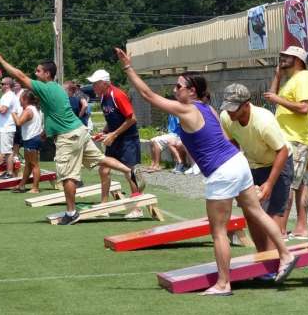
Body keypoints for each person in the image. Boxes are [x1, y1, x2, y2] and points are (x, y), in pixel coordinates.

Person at [116, 48, 298, 295]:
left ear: (191, 91)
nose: (174, 90)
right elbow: (224, 139)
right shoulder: (208, 108)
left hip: (222, 172)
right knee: (256, 212)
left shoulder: (188, 109)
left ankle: (223, 284)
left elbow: (148, 95)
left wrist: (128, 67)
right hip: (238, 163)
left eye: (179, 87)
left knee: (219, 231)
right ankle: (285, 255)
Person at [0, 50, 145, 225]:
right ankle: (129, 171)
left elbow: (19, 75)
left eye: (38, 71)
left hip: (68, 137)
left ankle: (71, 213)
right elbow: (54, 113)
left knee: (67, 176)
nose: (35, 73)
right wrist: (46, 131)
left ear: (47, 74)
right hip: (79, 131)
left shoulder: (46, 87)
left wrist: (2, 60)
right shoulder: (57, 88)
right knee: (100, 159)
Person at [220, 83, 294, 255]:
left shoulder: (263, 121)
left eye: (234, 109)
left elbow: (282, 151)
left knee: (273, 213)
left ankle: (274, 259)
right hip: (253, 164)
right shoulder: (226, 117)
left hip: (279, 162)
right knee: (251, 212)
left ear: (246, 105)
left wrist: (269, 183)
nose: (230, 112)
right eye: (228, 108)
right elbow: (233, 144)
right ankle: (262, 255)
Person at [264, 46, 308, 239]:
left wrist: (279, 99)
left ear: (298, 59)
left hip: (296, 139)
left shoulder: (303, 78)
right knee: (300, 182)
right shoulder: (292, 79)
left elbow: (304, 107)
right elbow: (271, 98)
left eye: (285, 56)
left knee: (286, 184)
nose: (281, 58)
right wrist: (277, 76)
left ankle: (280, 229)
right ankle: (301, 227)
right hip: (290, 138)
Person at [88, 69, 144, 218]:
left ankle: (137, 208)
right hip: (114, 138)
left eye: (95, 83)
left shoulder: (117, 95)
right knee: (104, 170)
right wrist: (105, 132)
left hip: (127, 139)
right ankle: (104, 206)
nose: (93, 86)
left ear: (105, 83)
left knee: (130, 171)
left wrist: (114, 134)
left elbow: (132, 119)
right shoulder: (102, 97)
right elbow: (111, 119)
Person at [0, 77, 22, 179]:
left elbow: (2, 110)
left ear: (7, 85)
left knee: (7, 152)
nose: (1, 85)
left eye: (2, 84)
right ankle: (8, 171)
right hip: (4, 127)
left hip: (7, 127)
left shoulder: (8, 96)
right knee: (5, 151)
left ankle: (10, 173)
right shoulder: (7, 95)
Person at [11, 90, 43, 193]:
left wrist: (13, 113)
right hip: (32, 138)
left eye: (20, 98)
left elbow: (19, 122)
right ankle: (22, 185)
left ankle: (35, 188)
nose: (19, 101)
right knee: (28, 164)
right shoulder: (34, 109)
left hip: (32, 139)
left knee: (34, 164)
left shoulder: (29, 110)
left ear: (25, 99)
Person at [11, 81, 25, 163]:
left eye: (17, 83)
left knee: (21, 138)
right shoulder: (12, 94)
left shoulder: (24, 93)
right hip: (13, 120)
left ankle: (18, 155)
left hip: (22, 118)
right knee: (15, 138)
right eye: (14, 83)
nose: (16, 84)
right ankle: (15, 155)